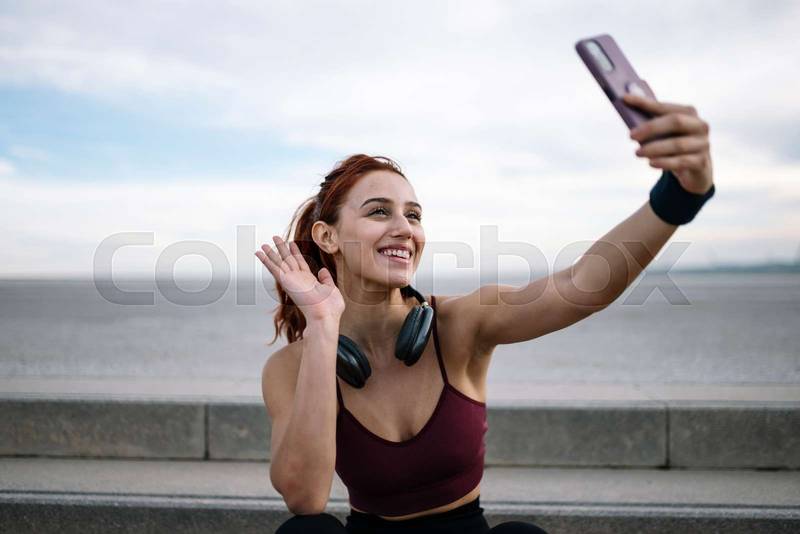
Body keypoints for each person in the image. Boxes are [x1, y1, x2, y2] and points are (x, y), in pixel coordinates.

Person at [257, 96, 715, 534]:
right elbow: (305, 498)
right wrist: (321, 326)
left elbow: (582, 285)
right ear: (328, 237)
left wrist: (681, 194)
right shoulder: (290, 368)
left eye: (413, 216)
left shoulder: (461, 323)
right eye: (380, 212)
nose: (404, 229)